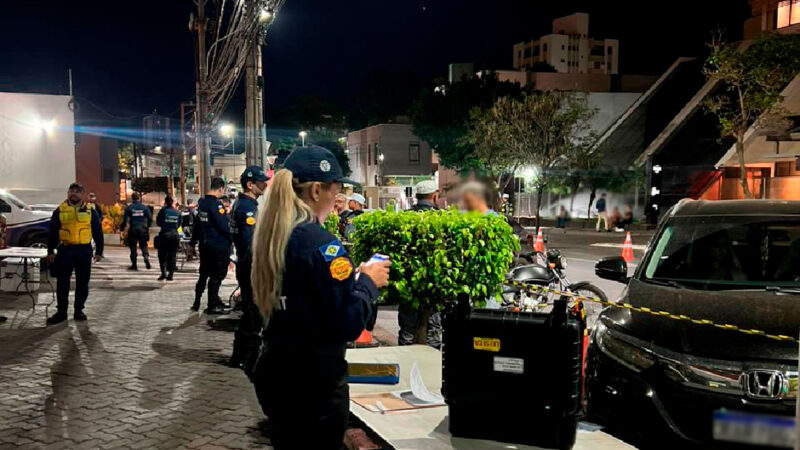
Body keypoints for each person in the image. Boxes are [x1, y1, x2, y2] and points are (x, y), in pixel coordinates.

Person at [251, 146, 390, 450]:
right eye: (336, 191)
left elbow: (307, 296)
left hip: (277, 372)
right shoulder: (321, 244)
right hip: (314, 385)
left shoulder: (272, 236)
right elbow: (348, 322)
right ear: (316, 190)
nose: (337, 199)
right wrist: (368, 282)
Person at [228, 165, 269, 371]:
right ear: (250, 185)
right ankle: (246, 356)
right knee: (253, 312)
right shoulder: (247, 207)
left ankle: (240, 355)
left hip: (245, 264)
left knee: (250, 311)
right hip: (249, 265)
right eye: (261, 182)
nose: (265, 185)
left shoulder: (241, 204)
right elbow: (250, 241)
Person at [46, 183, 104, 324]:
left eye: (77, 191)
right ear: (67, 193)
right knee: (62, 283)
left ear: (82, 194)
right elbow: (52, 232)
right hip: (65, 250)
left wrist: (99, 252)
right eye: (71, 191)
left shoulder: (90, 211)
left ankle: (79, 310)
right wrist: (50, 251)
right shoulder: (60, 210)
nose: (74, 193)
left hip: (84, 251)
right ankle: (61, 312)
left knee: (83, 283)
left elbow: (97, 232)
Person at [401, 179, 442, 348]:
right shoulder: (442, 218)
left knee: (407, 330)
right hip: (434, 283)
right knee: (433, 329)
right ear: (434, 195)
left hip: (408, 282)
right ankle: (431, 369)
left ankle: (404, 366)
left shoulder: (404, 218)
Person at [189, 177, 232, 314]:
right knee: (217, 275)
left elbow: (197, 226)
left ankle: (197, 302)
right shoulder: (216, 205)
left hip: (205, 245)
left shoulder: (202, 204)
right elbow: (225, 227)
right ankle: (212, 304)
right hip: (218, 246)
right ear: (220, 189)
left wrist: (192, 244)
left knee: (204, 274)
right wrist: (234, 239)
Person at [120, 192, 153, 270]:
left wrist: (122, 228)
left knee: (133, 247)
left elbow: (125, 220)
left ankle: (134, 264)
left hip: (133, 229)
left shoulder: (129, 208)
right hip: (143, 229)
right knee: (144, 245)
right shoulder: (145, 208)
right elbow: (150, 219)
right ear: (139, 198)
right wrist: (147, 227)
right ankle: (145, 256)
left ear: (132, 198)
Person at [156, 196, 181, 281]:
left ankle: (163, 273)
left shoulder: (163, 211)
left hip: (165, 235)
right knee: (173, 255)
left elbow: (158, 222)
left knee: (162, 255)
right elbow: (179, 225)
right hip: (174, 235)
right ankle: (171, 274)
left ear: (165, 202)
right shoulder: (177, 212)